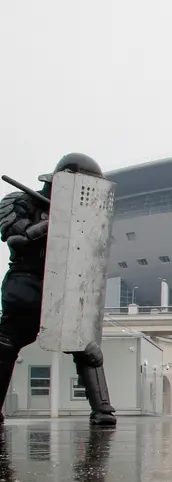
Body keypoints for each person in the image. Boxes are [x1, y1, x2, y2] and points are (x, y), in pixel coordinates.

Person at [0, 154, 117, 426]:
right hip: (27, 284)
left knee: (85, 345)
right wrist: (55, 223)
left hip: (66, 285)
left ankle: (103, 411)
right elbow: (17, 238)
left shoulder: (86, 212)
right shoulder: (22, 202)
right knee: (5, 344)